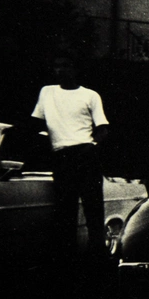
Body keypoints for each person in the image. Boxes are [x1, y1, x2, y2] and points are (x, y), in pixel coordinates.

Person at [30, 55, 108, 263]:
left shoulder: (90, 95)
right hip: (62, 156)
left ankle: (98, 259)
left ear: (75, 68)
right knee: (65, 210)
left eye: (65, 65)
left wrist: (92, 146)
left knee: (93, 208)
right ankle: (66, 260)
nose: (60, 70)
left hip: (85, 154)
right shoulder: (47, 92)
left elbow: (103, 127)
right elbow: (36, 122)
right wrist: (44, 143)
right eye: (56, 65)